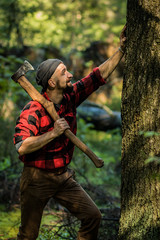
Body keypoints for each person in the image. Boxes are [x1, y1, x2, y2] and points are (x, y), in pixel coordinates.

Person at [13, 25, 126, 240]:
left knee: (93, 216)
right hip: (36, 178)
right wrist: (53, 133)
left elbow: (97, 76)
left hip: (63, 176)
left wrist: (121, 49)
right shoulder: (33, 109)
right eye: (64, 72)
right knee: (27, 236)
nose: (71, 74)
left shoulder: (70, 97)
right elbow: (22, 144)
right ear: (52, 82)